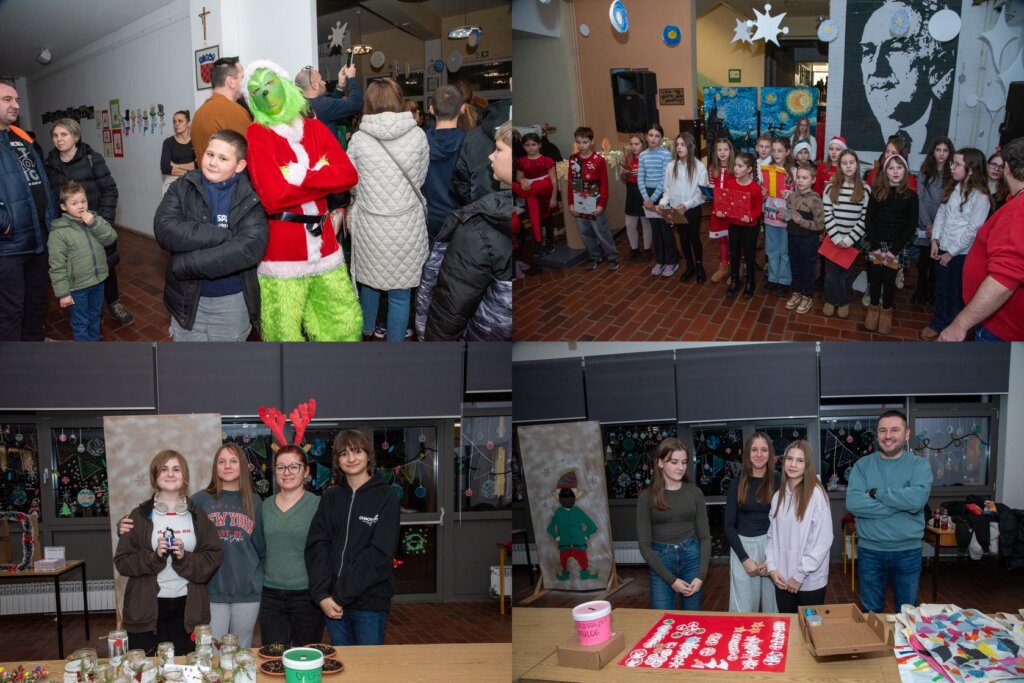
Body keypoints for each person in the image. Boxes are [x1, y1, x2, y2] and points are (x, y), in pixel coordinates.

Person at [119, 443, 265, 647]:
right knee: (210, 650)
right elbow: (125, 556)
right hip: (211, 591)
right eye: (221, 461)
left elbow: (260, 547)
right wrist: (125, 529)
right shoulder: (198, 502)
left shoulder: (253, 502)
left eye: (233, 461)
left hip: (236, 591)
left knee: (240, 649)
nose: (228, 466)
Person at [154, 129, 268, 341]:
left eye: (223, 158)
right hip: (186, 298)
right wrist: (223, 236)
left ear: (240, 166)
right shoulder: (182, 186)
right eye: (210, 154)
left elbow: (248, 247)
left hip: (231, 301)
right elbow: (164, 229)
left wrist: (186, 265)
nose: (213, 162)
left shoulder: (251, 196)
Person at [113, 450, 223, 656]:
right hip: (146, 610)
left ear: (185, 476)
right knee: (146, 671)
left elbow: (213, 557)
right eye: (164, 469)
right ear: (155, 475)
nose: (170, 474)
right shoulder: (138, 515)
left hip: (188, 610)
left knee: (185, 669)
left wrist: (184, 557)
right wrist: (154, 557)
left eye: (176, 469)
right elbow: (122, 561)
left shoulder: (198, 516)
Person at [348, 78, 429, 343]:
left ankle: (367, 332)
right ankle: (395, 346)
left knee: (369, 283)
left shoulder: (359, 140)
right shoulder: (418, 135)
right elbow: (419, 179)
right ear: (398, 100)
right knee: (401, 292)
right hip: (406, 224)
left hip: (371, 224)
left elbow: (353, 183)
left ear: (368, 103)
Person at [418, 121, 512, 341]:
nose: (490, 156)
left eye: (498, 149)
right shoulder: (492, 217)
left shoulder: (479, 228)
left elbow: (451, 309)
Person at [306, 430, 400, 646]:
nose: (351, 458)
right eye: (344, 453)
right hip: (331, 603)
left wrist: (340, 596)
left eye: (357, 451)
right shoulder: (330, 497)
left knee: (369, 670)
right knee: (342, 667)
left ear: (368, 455)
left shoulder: (386, 497)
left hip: (369, 604)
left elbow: (379, 554)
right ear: (338, 461)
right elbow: (317, 546)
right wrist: (322, 596)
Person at [44, 118, 132, 326]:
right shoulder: (49, 164)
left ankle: (113, 304)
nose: (59, 139)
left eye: (64, 134)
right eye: (55, 135)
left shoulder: (92, 158)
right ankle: (86, 310)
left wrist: (105, 221)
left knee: (107, 265)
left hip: (95, 224)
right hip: (70, 229)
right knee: (77, 267)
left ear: (75, 136)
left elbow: (110, 189)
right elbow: (50, 197)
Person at [845, 410, 932, 613]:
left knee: (908, 613)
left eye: (895, 429)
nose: (888, 435)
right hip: (870, 551)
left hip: (908, 552)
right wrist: (902, 504)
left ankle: (905, 646)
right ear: (877, 435)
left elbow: (917, 500)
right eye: (882, 430)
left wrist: (876, 493)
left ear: (907, 434)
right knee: (871, 612)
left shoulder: (919, 465)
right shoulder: (863, 466)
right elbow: (854, 503)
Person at [938, 137, 1024, 341]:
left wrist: (960, 325)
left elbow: (1003, 279)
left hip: (1001, 327)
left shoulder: (1019, 211)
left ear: (1008, 169)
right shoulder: (1016, 202)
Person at [856, 0, 956, 154]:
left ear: (930, 59)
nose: (876, 68)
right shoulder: (858, 138)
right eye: (868, 51)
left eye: (894, 48)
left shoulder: (943, 132)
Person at [0, 77, 58, 341]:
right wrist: (4, 223)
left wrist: (50, 219)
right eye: (7, 99)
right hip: (8, 243)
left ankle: (35, 351)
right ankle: (14, 370)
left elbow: (40, 180)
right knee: (11, 310)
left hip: (38, 237)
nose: (15, 105)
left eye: (17, 100)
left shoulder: (22, 137)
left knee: (36, 301)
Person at [920, 148, 991, 340]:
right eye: (953, 163)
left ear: (971, 168)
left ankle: (952, 328)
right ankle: (938, 323)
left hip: (960, 254)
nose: (952, 167)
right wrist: (935, 240)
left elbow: (972, 230)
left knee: (955, 292)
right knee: (941, 288)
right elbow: (942, 214)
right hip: (943, 246)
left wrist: (950, 253)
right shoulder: (953, 187)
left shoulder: (981, 197)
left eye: (957, 164)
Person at [259, 445, 324, 647]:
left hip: (308, 596)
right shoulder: (264, 507)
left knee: (306, 656)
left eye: (294, 467)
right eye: (280, 467)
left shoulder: (319, 506)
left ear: (306, 472)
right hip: (270, 595)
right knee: (273, 656)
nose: (286, 473)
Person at [637, 438, 710, 610]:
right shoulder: (646, 497)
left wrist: (701, 575)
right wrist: (671, 580)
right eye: (674, 462)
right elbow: (644, 546)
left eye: (684, 462)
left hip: (692, 558)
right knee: (661, 621)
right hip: (661, 562)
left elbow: (705, 538)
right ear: (660, 463)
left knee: (692, 622)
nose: (681, 467)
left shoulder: (694, 492)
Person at [766, 440, 832, 614]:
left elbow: (822, 541)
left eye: (800, 460)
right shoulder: (778, 497)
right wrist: (772, 568)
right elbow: (772, 536)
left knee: (810, 633)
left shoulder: (816, 495)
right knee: (789, 631)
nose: (793, 464)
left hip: (809, 581)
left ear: (807, 465)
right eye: (789, 459)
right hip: (782, 579)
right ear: (784, 461)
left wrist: (799, 575)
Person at [47, 181, 118, 341]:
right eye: (74, 203)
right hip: (77, 287)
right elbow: (56, 266)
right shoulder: (59, 233)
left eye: (83, 201)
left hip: (98, 280)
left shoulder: (95, 219)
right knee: (81, 321)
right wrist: (63, 293)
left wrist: (94, 224)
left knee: (95, 315)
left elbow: (110, 238)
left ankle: (94, 342)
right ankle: (85, 352)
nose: (80, 206)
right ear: (63, 207)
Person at [724, 432, 779, 613]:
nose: (759, 454)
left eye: (764, 450)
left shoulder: (779, 481)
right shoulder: (737, 483)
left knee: (775, 609)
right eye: (754, 449)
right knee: (744, 611)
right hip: (743, 548)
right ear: (747, 453)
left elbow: (784, 523)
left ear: (770, 454)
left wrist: (770, 559)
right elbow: (728, 526)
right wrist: (745, 559)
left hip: (773, 548)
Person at [864, 154, 918, 334]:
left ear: (905, 170)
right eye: (891, 168)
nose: (895, 171)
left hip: (896, 248)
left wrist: (894, 250)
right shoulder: (877, 192)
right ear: (885, 171)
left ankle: (886, 310)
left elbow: (910, 226)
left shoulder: (911, 196)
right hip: (877, 245)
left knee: (889, 280)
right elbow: (869, 220)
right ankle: (873, 308)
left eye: (899, 167)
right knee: (875, 277)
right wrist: (875, 246)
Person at [822, 149, 870, 318]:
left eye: (851, 162)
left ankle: (843, 301)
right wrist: (836, 237)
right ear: (839, 166)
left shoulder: (865, 189)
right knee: (831, 273)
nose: (848, 166)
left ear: (857, 165)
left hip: (852, 240)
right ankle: (830, 299)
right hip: (833, 238)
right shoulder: (830, 188)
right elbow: (828, 214)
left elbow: (864, 218)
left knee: (846, 273)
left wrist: (849, 239)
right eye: (844, 163)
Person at [658, 132, 707, 283]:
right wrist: (662, 203)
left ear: (690, 146)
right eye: (677, 145)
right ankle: (689, 265)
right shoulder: (670, 166)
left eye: (682, 145)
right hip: (675, 210)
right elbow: (667, 190)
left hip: (692, 209)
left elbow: (701, 194)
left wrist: (686, 205)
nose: (679, 148)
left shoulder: (699, 167)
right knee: (683, 239)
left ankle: (699, 266)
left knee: (694, 238)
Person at [568, 126, 618, 272]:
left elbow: (604, 185)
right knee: (585, 232)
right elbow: (571, 184)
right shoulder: (573, 160)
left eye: (584, 142)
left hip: (595, 203)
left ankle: (612, 256)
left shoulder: (598, 160)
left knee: (601, 231)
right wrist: (571, 203)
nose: (581, 145)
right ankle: (595, 256)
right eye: (578, 142)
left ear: (592, 142)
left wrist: (601, 204)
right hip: (579, 202)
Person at [716, 152, 764, 299]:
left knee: (749, 255)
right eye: (735, 165)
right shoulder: (731, 183)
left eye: (740, 166)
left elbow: (758, 208)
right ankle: (735, 280)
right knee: (734, 253)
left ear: (749, 169)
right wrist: (721, 212)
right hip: (734, 225)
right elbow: (726, 204)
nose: (735, 168)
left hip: (750, 226)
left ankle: (750, 282)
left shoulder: (755, 188)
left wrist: (750, 216)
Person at [913, 137, 954, 306]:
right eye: (938, 150)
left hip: (944, 220)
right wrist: (927, 224)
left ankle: (932, 293)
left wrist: (938, 227)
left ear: (949, 152)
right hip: (925, 220)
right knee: (923, 261)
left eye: (945, 151)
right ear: (933, 151)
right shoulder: (926, 169)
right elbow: (920, 197)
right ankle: (920, 291)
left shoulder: (953, 171)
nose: (941, 154)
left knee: (937, 261)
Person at [422, 85, 466, 245]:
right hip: (458, 218)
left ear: (431, 109)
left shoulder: (420, 141)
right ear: (462, 109)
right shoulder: (468, 142)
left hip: (428, 218)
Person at [191, 57, 252, 162]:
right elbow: (250, 153)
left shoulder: (198, 113)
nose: (245, 83)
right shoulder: (234, 111)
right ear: (230, 82)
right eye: (242, 77)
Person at [784, 163, 825, 314]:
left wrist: (803, 222)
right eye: (798, 177)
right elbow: (788, 215)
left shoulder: (816, 199)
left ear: (813, 180)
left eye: (804, 178)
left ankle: (808, 296)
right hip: (792, 237)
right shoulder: (792, 196)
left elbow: (820, 225)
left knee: (808, 268)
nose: (800, 180)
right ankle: (797, 292)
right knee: (795, 265)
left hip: (808, 240)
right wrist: (784, 216)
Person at [637, 124, 673, 276]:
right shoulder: (643, 155)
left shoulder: (666, 154)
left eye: (657, 136)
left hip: (663, 194)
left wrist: (653, 199)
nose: (653, 138)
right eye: (651, 135)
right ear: (646, 137)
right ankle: (660, 260)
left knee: (666, 230)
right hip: (648, 195)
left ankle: (671, 262)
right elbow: (640, 178)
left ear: (661, 138)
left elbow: (666, 180)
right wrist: (646, 198)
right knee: (655, 230)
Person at [296, 64, 363, 141]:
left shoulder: (303, 105)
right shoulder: (322, 105)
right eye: (321, 79)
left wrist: (340, 85)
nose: (324, 82)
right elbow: (357, 103)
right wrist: (351, 78)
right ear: (315, 85)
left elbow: (330, 104)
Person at [513, 132, 555, 253]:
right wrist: (521, 181)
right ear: (523, 146)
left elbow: (553, 180)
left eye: (533, 144)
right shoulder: (521, 161)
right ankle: (538, 242)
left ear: (539, 145)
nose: (531, 148)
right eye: (527, 145)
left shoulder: (547, 160)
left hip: (545, 193)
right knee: (534, 218)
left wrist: (553, 197)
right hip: (530, 193)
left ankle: (550, 242)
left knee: (548, 218)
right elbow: (518, 177)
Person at [762, 138, 794, 297]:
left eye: (779, 151)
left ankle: (784, 280)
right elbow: (763, 191)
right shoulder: (767, 169)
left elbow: (800, 196)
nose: (776, 154)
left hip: (785, 217)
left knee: (784, 251)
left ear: (787, 152)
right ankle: (773, 278)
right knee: (771, 249)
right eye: (773, 151)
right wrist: (762, 193)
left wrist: (790, 195)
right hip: (770, 215)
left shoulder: (793, 171)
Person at [706, 137, 735, 283]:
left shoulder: (736, 167)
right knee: (723, 238)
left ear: (730, 151)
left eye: (725, 149)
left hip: (733, 211)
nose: (722, 152)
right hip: (718, 210)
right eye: (719, 150)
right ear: (715, 152)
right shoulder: (712, 168)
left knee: (735, 239)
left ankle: (738, 266)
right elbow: (711, 187)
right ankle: (724, 265)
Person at [621, 132, 652, 262]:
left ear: (643, 144)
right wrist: (624, 173)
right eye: (632, 144)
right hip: (632, 192)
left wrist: (641, 173)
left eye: (637, 144)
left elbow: (653, 177)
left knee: (645, 221)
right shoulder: (628, 157)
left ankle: (647, 249)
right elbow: (624, 178)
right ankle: (634, 250)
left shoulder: (647, 158)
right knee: (629, 224)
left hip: (644, 191)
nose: (634, 147)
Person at [160, 110, 196, 196]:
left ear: (188, 123)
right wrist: (191, 169)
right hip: (173, 182)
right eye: (174, 121)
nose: (176, 124)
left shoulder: (196, 140)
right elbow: (165, 168)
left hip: (193, 182)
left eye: (180, 121)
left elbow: (199, 165)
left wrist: (176, 166)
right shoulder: (168, 142)